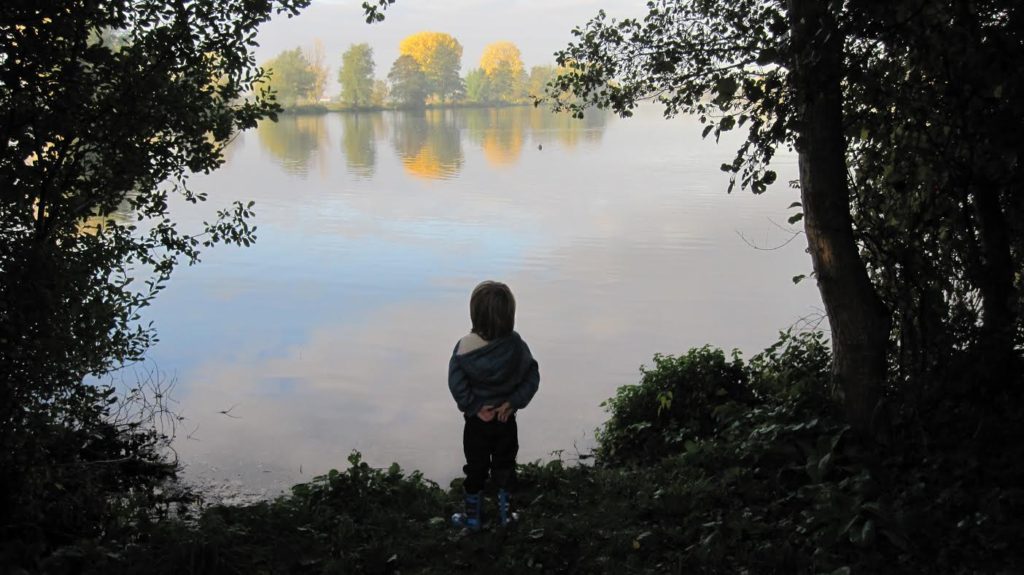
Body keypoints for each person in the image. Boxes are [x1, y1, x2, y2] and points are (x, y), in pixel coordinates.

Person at [448, 280, 540, 530]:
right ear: (510, 315)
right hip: (505, 419)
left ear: (474, 314)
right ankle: (505, 516)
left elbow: (456, 383)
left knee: (475, 468)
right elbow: (532, 375)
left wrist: (475, 406)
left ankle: (473, 518)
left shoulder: (464, 348)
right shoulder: (515, 345)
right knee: (505, 466)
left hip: (477, 422)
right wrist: (513, 402)